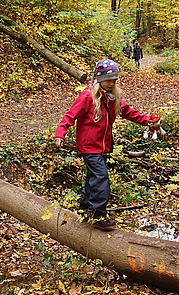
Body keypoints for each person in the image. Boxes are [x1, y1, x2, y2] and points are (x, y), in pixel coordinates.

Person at [54, 59, 159, 229]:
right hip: (89, 146)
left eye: (114, 80)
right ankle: (97, 214)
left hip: (102, 146)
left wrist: (148, 121)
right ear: (98, 79)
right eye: (108, 79)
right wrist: (60, 134)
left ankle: (84, 208)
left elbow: (129, 112)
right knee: (100, 177)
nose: (111, 83)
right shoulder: (88, 96)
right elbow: (70, 116)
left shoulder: (112, 97)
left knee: (93, 178)